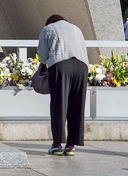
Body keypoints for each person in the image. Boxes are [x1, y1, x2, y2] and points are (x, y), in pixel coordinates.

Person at [37, 14, 89, 156]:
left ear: (50, 22)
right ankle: (71, 145)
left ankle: (57, 145)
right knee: (77, 105)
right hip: (81, 66)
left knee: (59, 104)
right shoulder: (76, 28)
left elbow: (42, 54)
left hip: (61, 65)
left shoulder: (48, 29)